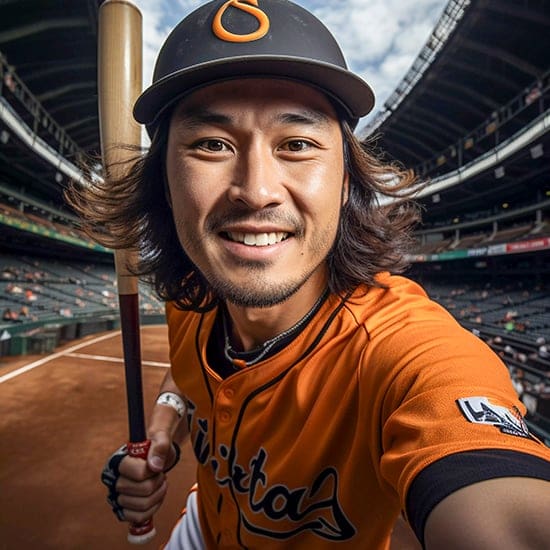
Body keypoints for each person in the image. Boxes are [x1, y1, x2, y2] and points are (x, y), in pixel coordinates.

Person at [67, 1, 550, 548]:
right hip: (199, 527)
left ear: (346, 182)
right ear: (164, 182)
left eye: (296, 145)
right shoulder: (196, 295)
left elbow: (493, 488)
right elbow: (185, 372)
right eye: (212, 144)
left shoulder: (403, 350)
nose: (256, 189)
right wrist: (163, 433)